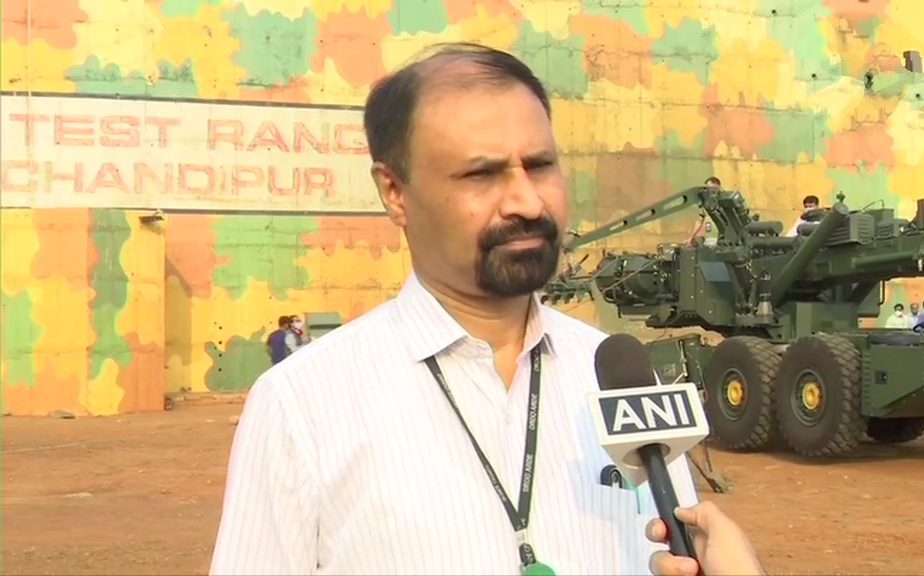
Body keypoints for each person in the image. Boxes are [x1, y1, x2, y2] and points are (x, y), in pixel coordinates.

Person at [210, 43, 764, 576]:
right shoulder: (303, 404)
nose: (526, 202)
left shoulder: (617, 374)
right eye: (481, 174)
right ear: (395, 191)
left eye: (540, 165)